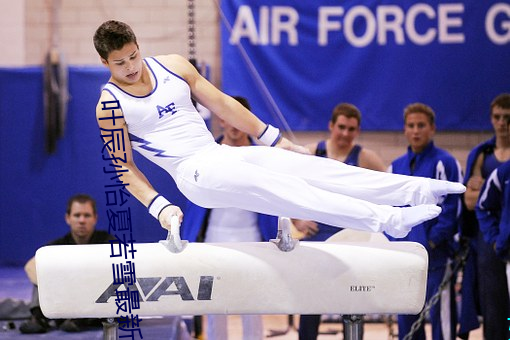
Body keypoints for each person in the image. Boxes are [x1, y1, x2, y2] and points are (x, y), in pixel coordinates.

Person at [93, 20, 464, 246]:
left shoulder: (172, 65)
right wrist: (160, 207)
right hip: (193, 174)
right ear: (105, 63)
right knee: (289, 190)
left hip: (220, 156)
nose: (130, 68)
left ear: (139, 46)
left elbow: (223, 103)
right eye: (119, 63)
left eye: (133, 56)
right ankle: (387, 220)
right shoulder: (110, 106)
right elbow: (124, 168)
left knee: (312, 169)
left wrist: (274, 138)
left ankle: (413, 188)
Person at [181, 96, 278, 340]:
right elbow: (192, 198)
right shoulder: (204, 154)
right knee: (215, 305)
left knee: (253, 306)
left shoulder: (262, 159)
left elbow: (275, 199)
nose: (235, 126)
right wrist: (187, 238)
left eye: (239, 120)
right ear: (221, 120)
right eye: (229, 119)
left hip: (254, 239)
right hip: (214, 238)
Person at [295, 102, 386, 340]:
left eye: (351, 129)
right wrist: (297, 219)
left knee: (353, 300)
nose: (345, 134)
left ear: (357, 131)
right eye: (341, 127)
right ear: (331, 126)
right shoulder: (311, 152)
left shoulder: (365, 158)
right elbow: (285, 190)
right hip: (317, 235)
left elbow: (389, 192)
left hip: (351, 239)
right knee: (310, 302)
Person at [387, 103, 462, 340]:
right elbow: (388, 209)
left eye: (421, 125)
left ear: (432, 129)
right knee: (407, 321)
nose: (416, 131)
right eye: (411, 126)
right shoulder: (395, 167)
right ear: (405, 130)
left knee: (442, 320)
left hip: (436, 257)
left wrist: (432, 241)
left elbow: (452, 209)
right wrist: (395, 243)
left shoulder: (445, 163)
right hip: (405, 259)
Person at [19, 194, 114, 334]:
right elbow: (30, 266)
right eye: (77, 215)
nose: (82, 220)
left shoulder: (108, 242)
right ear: (68, 218)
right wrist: (59, 285)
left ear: (95, 219)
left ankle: (79, 319)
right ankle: (38, 318)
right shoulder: (58, 246)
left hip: (95, 303)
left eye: (87, 215)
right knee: (42, 269)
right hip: (64, 299)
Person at [460, 93, 510, 340]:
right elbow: (469, 202)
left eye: (507, 118)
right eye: (497, 117)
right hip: (489, 238)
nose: (502, 123)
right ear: (491, 119)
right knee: (493, 304)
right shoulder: (482, 154)